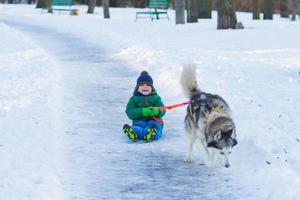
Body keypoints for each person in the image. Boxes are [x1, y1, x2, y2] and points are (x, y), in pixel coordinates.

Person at [123, 71, 166, 142]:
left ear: (152, 88)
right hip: (139, 121)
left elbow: (163, 109)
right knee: (137, 127)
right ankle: (134, 133)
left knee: (155, 127)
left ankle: (151, 133)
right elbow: (129, 111)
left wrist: (157, 111)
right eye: (142, 85)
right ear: (137, 88)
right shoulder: (134, 99)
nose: (145, 86)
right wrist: (142, 111)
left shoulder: (156, 98)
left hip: (154, 121)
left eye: (148, 85)